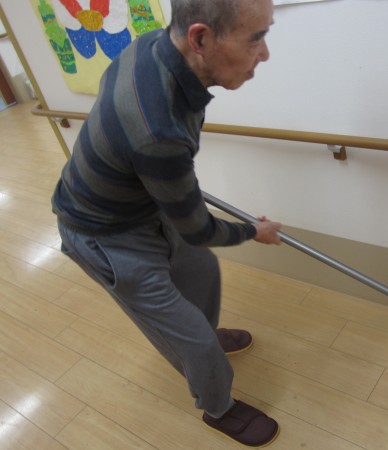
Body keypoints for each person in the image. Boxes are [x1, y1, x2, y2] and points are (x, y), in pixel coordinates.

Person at [51, 0, 281, 446]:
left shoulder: (153, 46)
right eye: (256, 38)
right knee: (193, 342)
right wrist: (254, 231)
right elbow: (198, 228)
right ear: (200, 38)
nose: (265, 54)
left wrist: (153, 178)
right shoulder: (159, 132)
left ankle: (204, 339)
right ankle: (219, 407)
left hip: (141, 203)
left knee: (202, 269)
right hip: (102, 235)